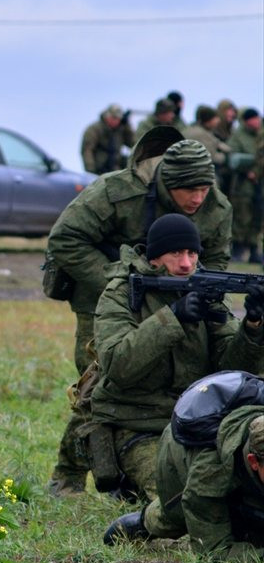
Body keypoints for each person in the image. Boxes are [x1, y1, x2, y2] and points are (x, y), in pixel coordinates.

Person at [44, 131, 233, 495]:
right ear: (167, 183)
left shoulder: (216, 207)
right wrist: (124, 282)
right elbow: (65, 239)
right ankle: (68, 473)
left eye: (204, 190)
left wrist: (206, 296)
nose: (197, 199)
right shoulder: (118, 192)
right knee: (99, 384)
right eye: (188, 191)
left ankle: (136, 466)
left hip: (179, 299)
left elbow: (217, 261)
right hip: (104, 295)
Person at [85, 214, 263, 501]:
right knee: (178, 501)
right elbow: (118, 365)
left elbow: (232, 373)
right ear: (154, 258)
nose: (186, 263)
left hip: (198, 423)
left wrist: (253, 327)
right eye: (176, 253)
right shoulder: (119, 295)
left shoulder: (206, 292)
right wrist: (173, 318)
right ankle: (128, 484)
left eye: (192, 253)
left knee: (239, 490)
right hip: (138, 425)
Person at [103, 400, 264, 562]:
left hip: (247, 481)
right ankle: (137, 525)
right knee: (175, 517)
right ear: (253, 461)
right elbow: (215, 552)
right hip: (181, 471)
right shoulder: (209, 475)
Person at [226, 107, 262, 264]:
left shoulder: (260, 135)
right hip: (243, 184)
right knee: (242, 217)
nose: (257, 121)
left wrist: (257, 171)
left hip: (260, 182)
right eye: (253, 119)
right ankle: (239, 250)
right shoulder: (238, 136)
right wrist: (248, 171)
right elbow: (232, 156)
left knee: (258, 216)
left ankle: (254, 251)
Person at [183, 105, 231, 191]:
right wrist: (226, 158)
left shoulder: (190, 130)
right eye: (216, 118)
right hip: (201, 174)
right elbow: (211, 156)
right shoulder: (202, 134)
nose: (218, 121)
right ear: (209, 120)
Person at [81, 103, 135, 175]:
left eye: (118, 119)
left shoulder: (121, 129)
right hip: (99, 170)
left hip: (116, 169)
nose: (116, 121)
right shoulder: (94, 130)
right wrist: (91, 171)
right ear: (107, 116)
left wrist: (127, 125)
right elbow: (87, 151)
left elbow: (133, 143)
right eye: (113, 118)